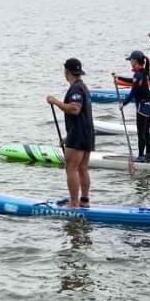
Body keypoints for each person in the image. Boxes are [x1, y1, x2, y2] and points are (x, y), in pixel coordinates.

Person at [46, 58, 95, 209]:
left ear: (66, 72)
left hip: (79, 135)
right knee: (82, 168)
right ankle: (84, 201)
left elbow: (75, 109)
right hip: (87, 133)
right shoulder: (83, 87)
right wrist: (68, 136)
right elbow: (82, 115)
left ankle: (74, 203)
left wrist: (55, 102)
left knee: (71, 168)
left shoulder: (75, 89)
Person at [116, 51, 150, 162]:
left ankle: (141, 156)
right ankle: (148, 155)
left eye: (131, 60)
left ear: (135, 61)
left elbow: (133, 93)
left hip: (143, 107)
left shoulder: (138, 74)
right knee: (146, 132)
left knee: (141, 133)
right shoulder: (143, 72)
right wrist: (119, 78)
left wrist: (123, 104)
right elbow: (133, 81)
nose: (130, 62)